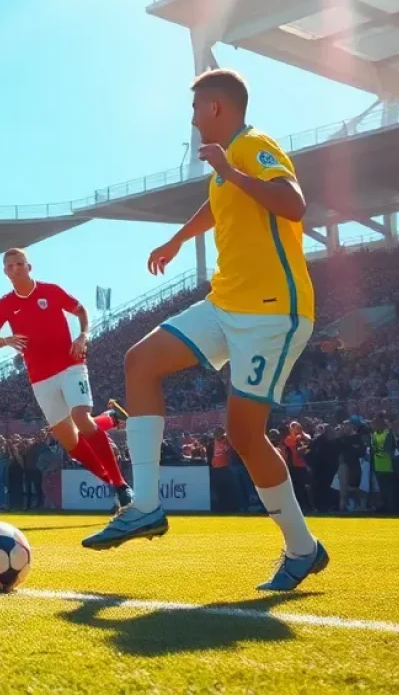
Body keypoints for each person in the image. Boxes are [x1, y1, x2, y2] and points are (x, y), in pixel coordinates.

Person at [83, 69, 328, 592]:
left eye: (196, 109)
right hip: (226, 303)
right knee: (139, 361)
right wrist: (176, 240)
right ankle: (145, 505)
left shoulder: (253, 146)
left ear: (216, 107)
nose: (192, 120)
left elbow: (293, 203)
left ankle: (302, 549)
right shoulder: (225, 165)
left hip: (271, 313)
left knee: (244, 434)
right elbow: (218, 205)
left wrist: (232, 172)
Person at [0, 249, 131, 506]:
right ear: (5, 272)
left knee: (80, 417)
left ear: (29, 267)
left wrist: (83, 335)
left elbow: (81, 310)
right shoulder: (5, 304)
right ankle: (110, 429)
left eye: (20, 264)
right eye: (10, 266)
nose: (16, 269)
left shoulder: (50, 291)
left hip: (70, 365)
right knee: (70, 443)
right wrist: (6, 340)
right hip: (40, 378)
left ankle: (120, 486)